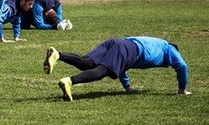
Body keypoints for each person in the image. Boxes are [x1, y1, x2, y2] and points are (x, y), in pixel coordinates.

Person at [43, 36, 191, 102]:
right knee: (102, 71)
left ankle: (58, 54)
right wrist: (182, 90)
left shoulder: (155, 43)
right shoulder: (169, 48)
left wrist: (127, 87)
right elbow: (182, 66)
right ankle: (69, 81)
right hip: (129, 49)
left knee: (86, 62)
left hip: (117, 42)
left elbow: (123, 65)